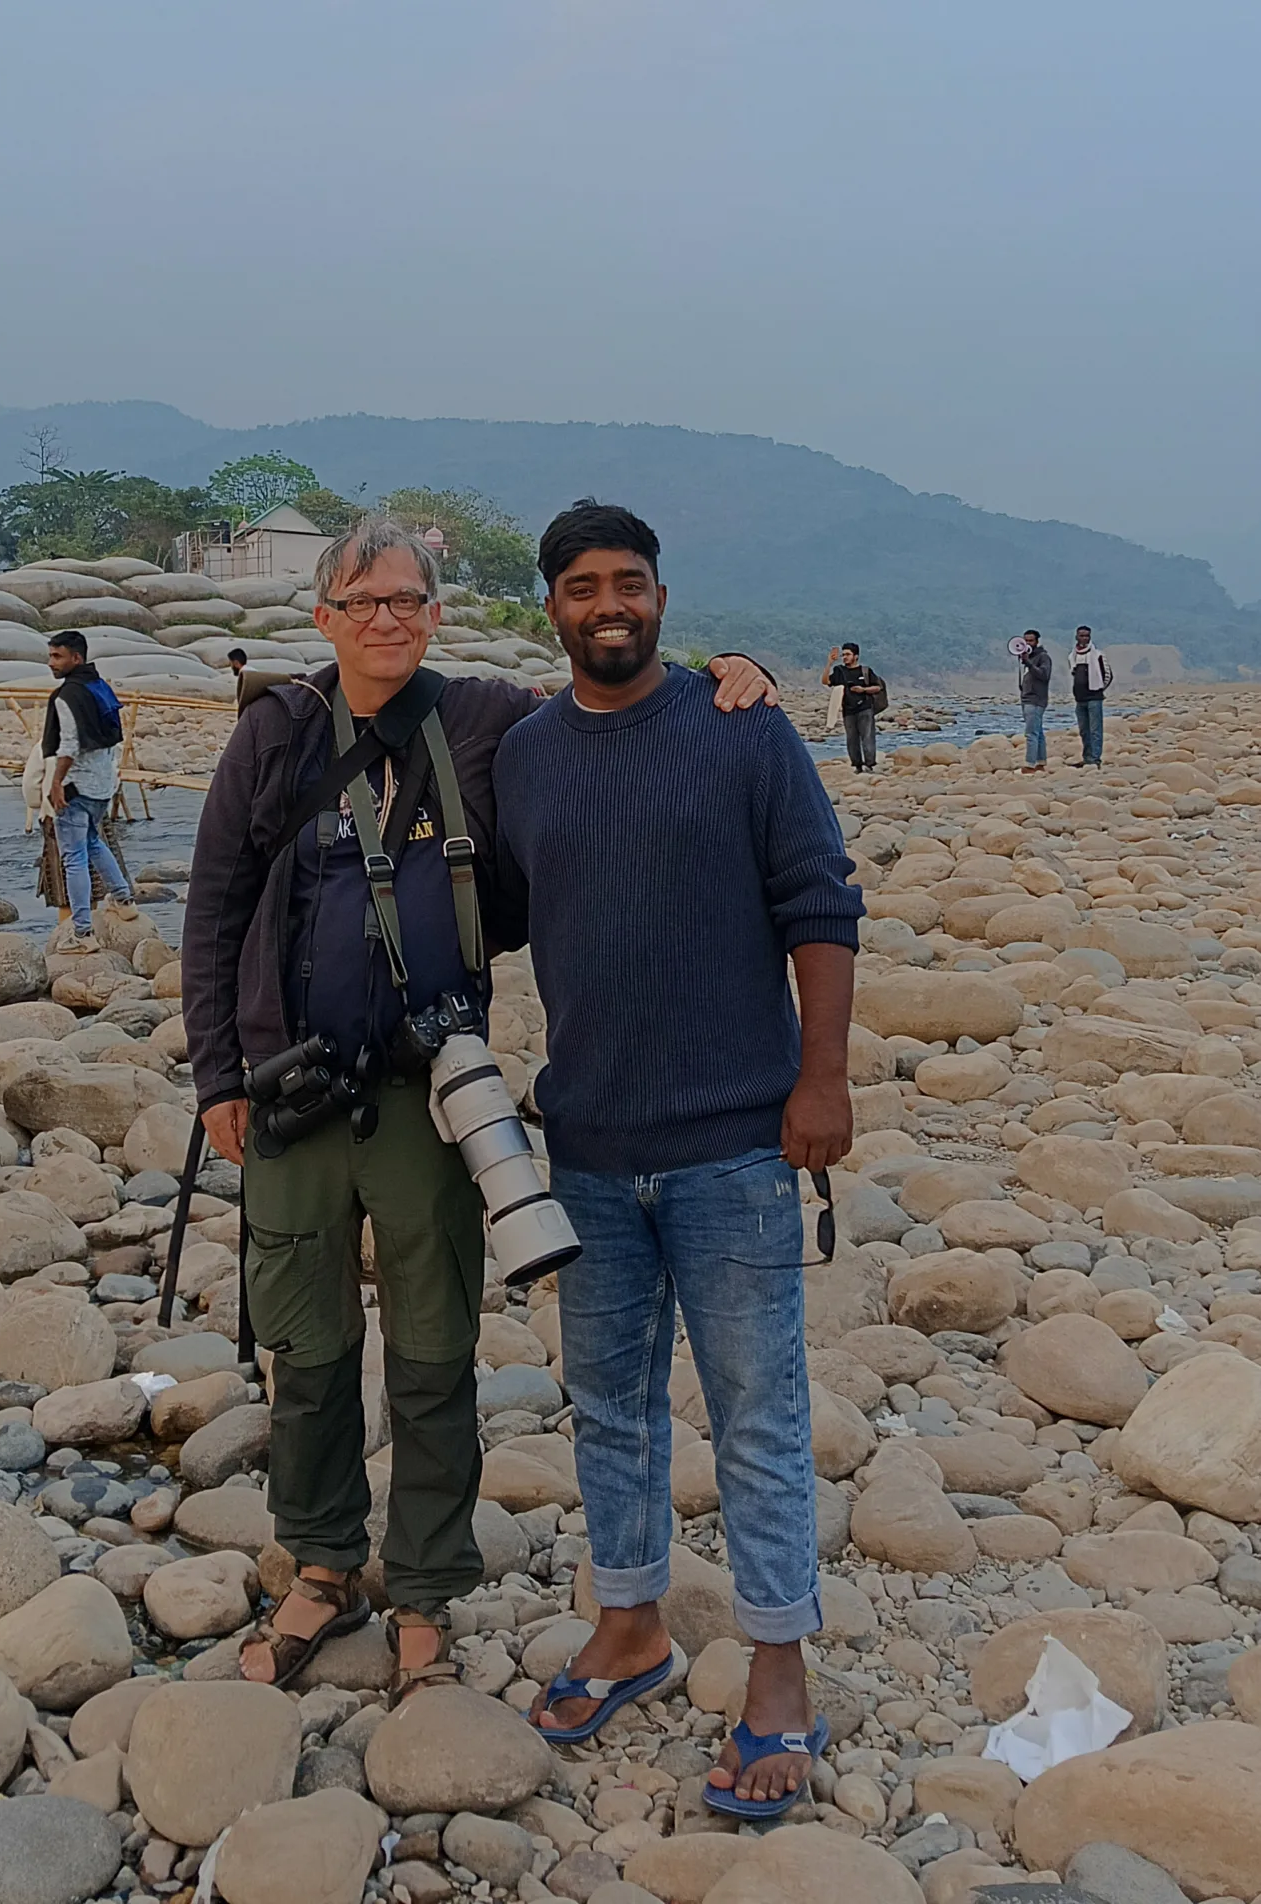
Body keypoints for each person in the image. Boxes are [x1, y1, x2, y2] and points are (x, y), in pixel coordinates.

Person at [182, 515, 778, 1703]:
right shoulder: (276, 733)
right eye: (363, 603)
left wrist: (722, 670)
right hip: (290, 1091)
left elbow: (610, 686)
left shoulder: (482, 718)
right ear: (325, 617)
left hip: (430, 1091)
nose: (387, 620)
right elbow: (214, 905)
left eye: (407, 599)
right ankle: (321, 1564)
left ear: (436, 613)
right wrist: (214, 1076)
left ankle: (425, 1589)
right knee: (304, 1344)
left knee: (434, 1347)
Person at [495, 503, 861, 1820]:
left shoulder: (740, 725)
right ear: (551, 606)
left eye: (631, 582)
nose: (610, 603)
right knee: (608, 1406)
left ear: (661, 596)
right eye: (584, 585)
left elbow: (820, 899)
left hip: (733, 1147)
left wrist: (821, 1079)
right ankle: (631, 1623)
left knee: (757, 1415)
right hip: (587, 1149)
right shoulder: (524, 754)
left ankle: (778, 1663)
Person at [43, 632, 138, 949]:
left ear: (76, 658)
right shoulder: (99, 687)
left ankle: (82, 933)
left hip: (76, 786)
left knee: (73, 857)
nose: (51, 663)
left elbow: (69, 744)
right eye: (51, 656)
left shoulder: (67, 696)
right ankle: (124, 899)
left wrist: (56, 782)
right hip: (102, 784)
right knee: (93, 841)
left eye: (57, 656)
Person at [825, 641, 881, 773]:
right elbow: (826, 681)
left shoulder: (865, 671)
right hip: (848, 710)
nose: (844, 657)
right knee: (852, 739)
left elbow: (877, 687)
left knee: (867, 737)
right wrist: (829, 663)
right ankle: (857, 765)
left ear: (856, 656)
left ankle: (869, 765)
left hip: (865, 708)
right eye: (843, 655)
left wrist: (863, 689)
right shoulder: (839, 671)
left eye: (848, 654)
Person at [1071, 625, 1113, 768]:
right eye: (1081, 636)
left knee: (1095, 730)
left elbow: (1108, 676)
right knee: (1084, 731)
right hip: (1080, 699)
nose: (1084, 638)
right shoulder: (1073, 656)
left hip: (1094, 698)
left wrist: (1098, 689)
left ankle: (1095, 759)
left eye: (1086, 636)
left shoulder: (1098, 655)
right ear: (1076, 637)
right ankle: (1087, 758)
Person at [1017, 630, 1052, 773]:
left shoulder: (1043, 657)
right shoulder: (1026, 658)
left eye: (1031, 641)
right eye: (1025, 641)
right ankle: (1040, 762)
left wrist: (1029, 663)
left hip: (1036, 699)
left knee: (1031, 733)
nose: (1027, 644)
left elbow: (1044, 675)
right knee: (1038, 732)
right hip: (1027, 698)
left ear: (1037, 642)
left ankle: (1029, 764)